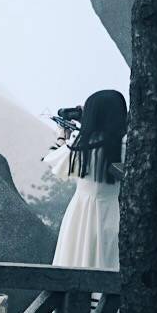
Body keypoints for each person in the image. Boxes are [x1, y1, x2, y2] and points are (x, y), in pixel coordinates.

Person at [51, 89, 127, 270]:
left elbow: (58, 165)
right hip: (116, 212)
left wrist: (63, 135)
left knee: (77, 260)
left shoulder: (81, 145)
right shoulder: (129, 146)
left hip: (82, 212)